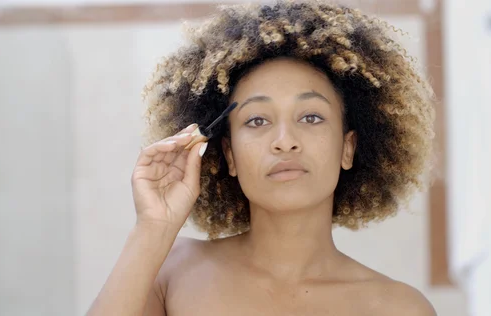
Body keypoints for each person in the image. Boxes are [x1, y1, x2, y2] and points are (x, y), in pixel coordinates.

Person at [87, 0, 436, 315]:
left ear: (347, 148)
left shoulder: (398, 307)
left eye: (310, 117)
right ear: (229, 154)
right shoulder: (170, 270)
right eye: (257, 120)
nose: (285, 142)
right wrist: (153, 229)